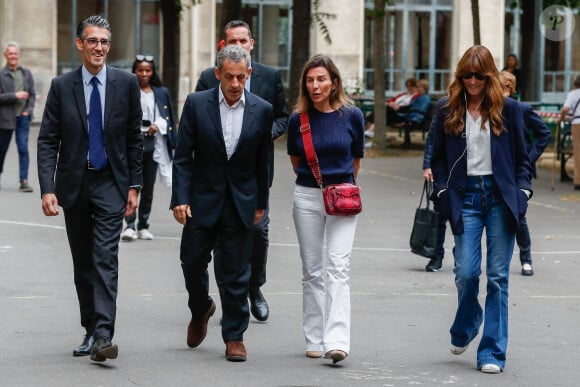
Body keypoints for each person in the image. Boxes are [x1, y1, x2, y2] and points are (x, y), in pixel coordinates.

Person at [37, 15, 143, 362]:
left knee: (104, 258)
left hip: (111, 181)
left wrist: (135, 184)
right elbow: (48, 140)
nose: (99, 48)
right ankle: (89, 329)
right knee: (83, 262)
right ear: (80, 44)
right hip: (74, 183)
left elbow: (133, 139)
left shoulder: (125, 83)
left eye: (105, 42)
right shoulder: (61, 86)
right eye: (93, 41)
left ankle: (103, 335)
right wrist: (47, 187)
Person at [429, 45, 532, 373]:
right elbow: (436, 157)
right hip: (465, 197)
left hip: (500, 198)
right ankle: (467, 322)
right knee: (467, 273)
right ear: (460, 76)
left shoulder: (510, 109)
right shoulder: (447, 109)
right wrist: (442, 189)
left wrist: (523, 190)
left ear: (489, 76)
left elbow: (522, 157)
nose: (472, 81)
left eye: (479, 76)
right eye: (467, 76)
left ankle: (492, 352)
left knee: (499, 277)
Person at [171, 44, 272, 362]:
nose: (235, 84)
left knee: (236, 271)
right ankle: (200, 307)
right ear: (217, 74)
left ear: (249, 74)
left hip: (240, 200)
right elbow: (183, 155)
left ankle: (234, 336)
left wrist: (261, 203)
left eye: (241, 77)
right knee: (191, 260)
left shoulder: (261, 109)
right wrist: (180, 198)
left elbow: (263, 161)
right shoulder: (197, 104)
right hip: (202, 198)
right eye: (229, 76)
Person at [195, 19, 289, 322]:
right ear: (223, 45)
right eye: (231, 41)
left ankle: (254, 288)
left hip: (253, 175)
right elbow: (196, 121)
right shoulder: (210, 77)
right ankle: (230, 302)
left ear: (252, 43)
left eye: (243, 40)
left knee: (258, 233)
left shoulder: (270, 77)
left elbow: (282, 117)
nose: (238, 45)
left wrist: (260, 134)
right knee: (225, 241)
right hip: (216, 179)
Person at [287, 54, 365, 364]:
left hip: (343, 197)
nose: (316, 85)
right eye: (310, 80)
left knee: (338, 267)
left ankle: (337, 340)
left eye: (321, 79)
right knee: (312, 270)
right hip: (307, 196)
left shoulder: (352, 115)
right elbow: (296, 161)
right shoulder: (299, 120)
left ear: (334, 82)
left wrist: (339, 187)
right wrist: (320, 185)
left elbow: (356, 158)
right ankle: (314, 337)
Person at [500, 71, 552, 276]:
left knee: (518, 215)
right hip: (497, 170)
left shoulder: (522, 109)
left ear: (511, 89)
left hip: (517, 171)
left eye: (506, 86)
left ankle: (526, 258)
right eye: (498, 86)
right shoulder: (490, 109)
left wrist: (529, 158)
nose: (502, 90)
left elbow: (544, 134)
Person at [120, 55, 176, 241]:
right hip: (131, 145)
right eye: (140, 70)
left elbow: (169, 117)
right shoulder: (128, 90)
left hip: (152, 144)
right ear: (134, 71)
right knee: (131, 185)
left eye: (148, 70)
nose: (144, 74)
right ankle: (129, 225)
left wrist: (157, 125)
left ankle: (143, 225)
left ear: (153, 72)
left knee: (148, 188)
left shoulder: (161, 92)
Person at [0, 41, 36, 192]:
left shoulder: (26, 73)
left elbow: (32, 95)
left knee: (23, 148)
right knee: (1, 150)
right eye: (10, 53)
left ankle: (24, 180)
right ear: (5, 55)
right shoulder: (1, 74)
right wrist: (15, 95)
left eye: (15, 53)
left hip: (23, 117)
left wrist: (28, 110)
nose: (13, 56)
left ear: (18, 55)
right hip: (5, 118)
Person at [421, 128, 446, 272]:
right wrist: (427, 165)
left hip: (465, 173)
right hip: (443, 172)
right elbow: (432, 138)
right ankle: (436, 255)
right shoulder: (444, 109)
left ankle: (461, 256)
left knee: (463, 219)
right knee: (439, 218)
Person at [557, 74, 580, 190]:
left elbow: (565, 109)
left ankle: (578, 180)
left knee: (578, 151)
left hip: (577, 123)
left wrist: (560, 119)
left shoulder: (573, 94)